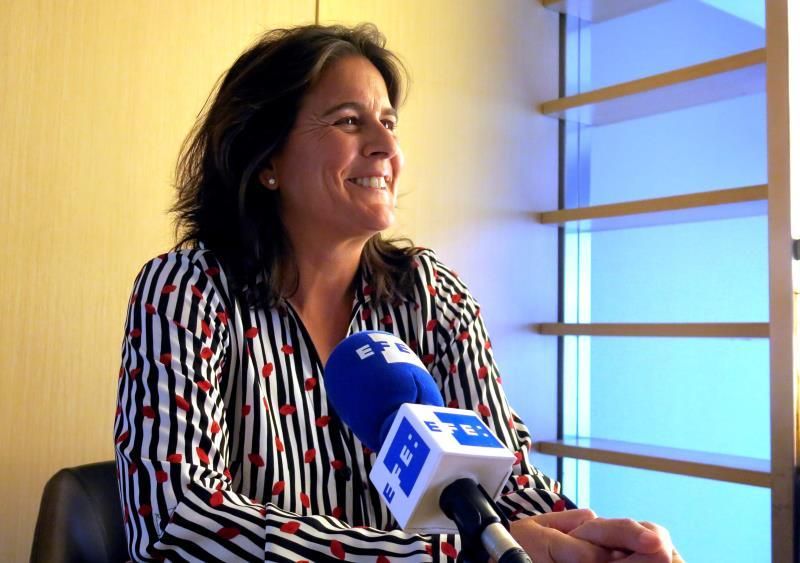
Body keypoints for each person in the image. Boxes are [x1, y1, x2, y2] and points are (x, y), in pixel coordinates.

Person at [114, 23, 679, 562]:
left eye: (389, 121)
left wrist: (594, 543)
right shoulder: (188, 290)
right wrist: (440, 558)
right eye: (349, 121)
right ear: (267, 159)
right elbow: (177, 524)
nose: (386, 145)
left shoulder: (430, 295)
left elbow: (502, 484)